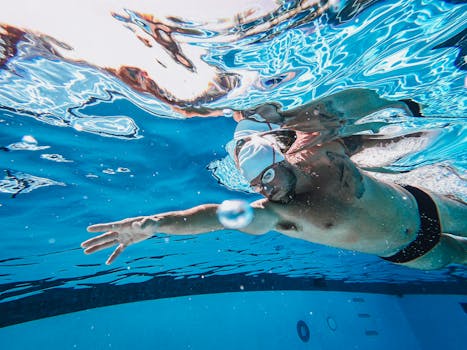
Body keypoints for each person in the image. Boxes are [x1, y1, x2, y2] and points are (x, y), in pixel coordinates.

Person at [81, 89, 467, 270]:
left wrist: (400, 105)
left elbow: (350, 110)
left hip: (424, 205)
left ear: (284, 161)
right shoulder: (277, 213)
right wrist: (152, 225)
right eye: (255, 186)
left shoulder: (322, 152)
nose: (263, 189)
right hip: (412, 254)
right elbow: (213, 215)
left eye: (266, 177)